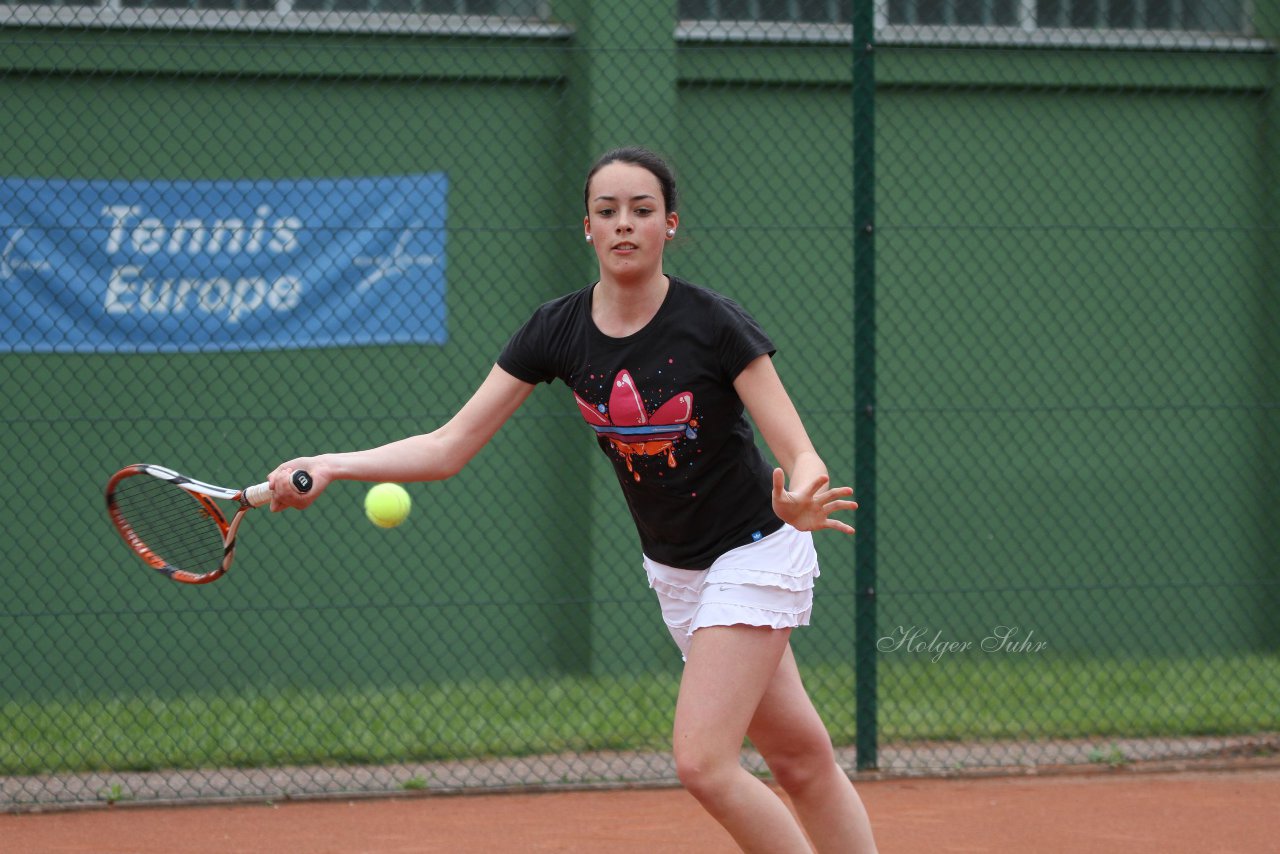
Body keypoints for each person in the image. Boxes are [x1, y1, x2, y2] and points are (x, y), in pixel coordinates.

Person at [267, 146, 878, 853]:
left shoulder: (713, 323)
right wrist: (333, 465)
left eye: (642, 211)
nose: (624, 224)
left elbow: (799, 451)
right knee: (800, 758)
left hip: (754, 552)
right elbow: (449, 445)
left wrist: (802, 495)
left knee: (703, 764)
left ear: (670, 225)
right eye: (607, 211)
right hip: (679, 572)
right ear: (585, 227)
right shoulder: (556, 330)